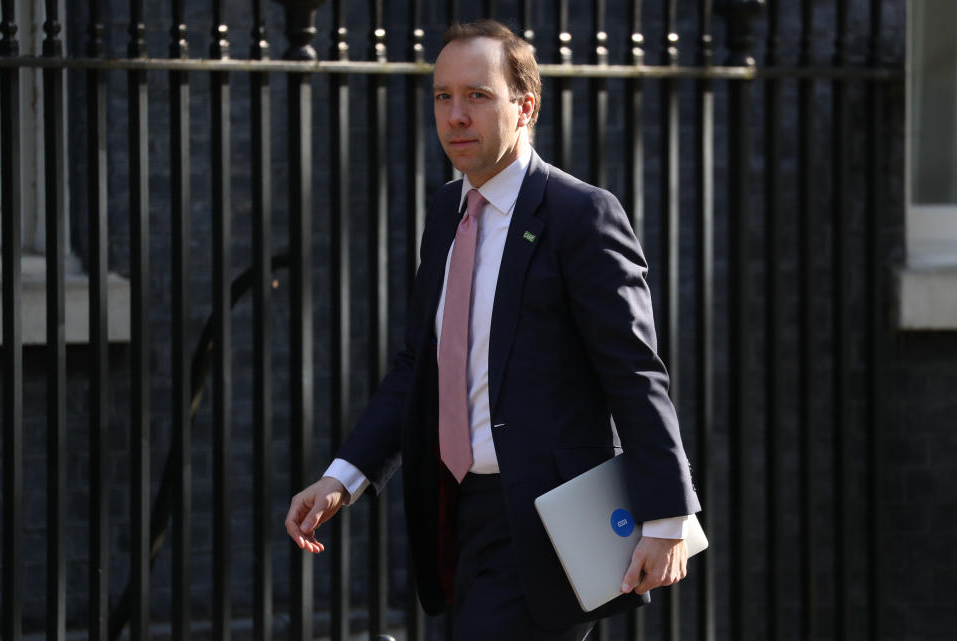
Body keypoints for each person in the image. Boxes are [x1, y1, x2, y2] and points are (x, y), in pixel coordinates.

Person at [285, 19, 700, 641]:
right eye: (443, 97)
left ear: (524, 106)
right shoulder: (445, 213)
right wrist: (344, 476)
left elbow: (635, 372)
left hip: (546, 522)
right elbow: (418, 368)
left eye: (477, 96)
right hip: (456, 516)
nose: (455, 116)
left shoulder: (579, 215)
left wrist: (667, 516)